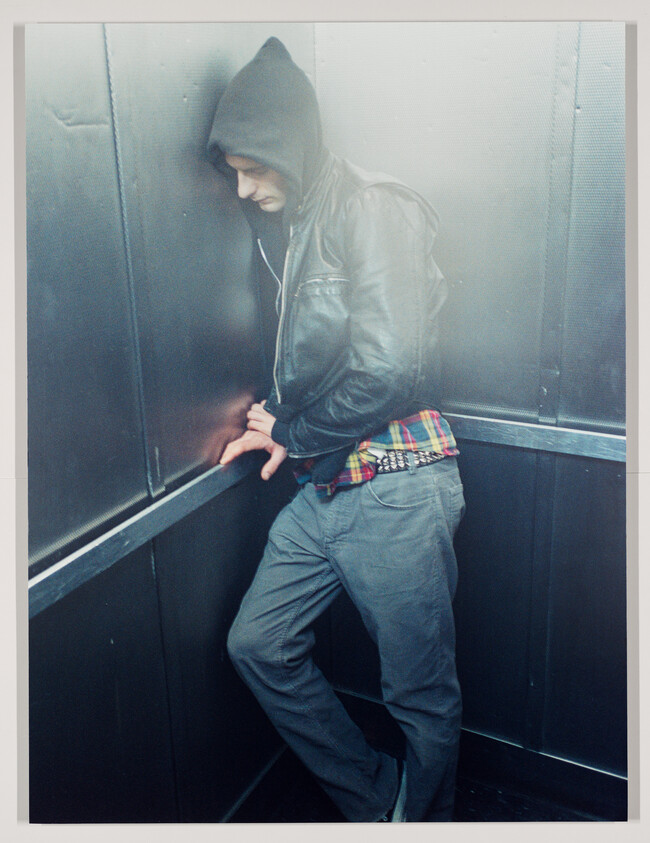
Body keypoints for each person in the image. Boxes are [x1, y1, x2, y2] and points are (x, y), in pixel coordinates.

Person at [210, 37, 465, 823]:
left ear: (290, 143)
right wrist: (285, 424)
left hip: (394, 485)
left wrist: (293, 423)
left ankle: (421, 825)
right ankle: (381, 799)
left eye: (255, 168)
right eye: (235, 175)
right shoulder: (301, 223)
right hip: (326, 486)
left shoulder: (369, 204)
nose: (245, 190)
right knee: (257, 643)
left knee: (419, 696)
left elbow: (391, 366)